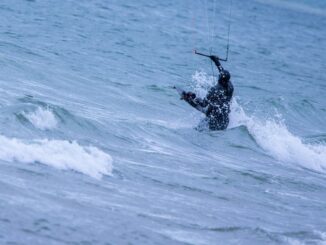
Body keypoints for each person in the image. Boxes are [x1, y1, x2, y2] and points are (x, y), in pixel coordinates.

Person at [181, 55, 234, 130]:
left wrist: (193, 97)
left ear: (220, 79)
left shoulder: (215, 90)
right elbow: (222, 72)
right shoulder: (230, 86)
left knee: (197, 129)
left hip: (213, 120)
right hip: (225, 120)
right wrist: (216, 61)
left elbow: (203, 104)